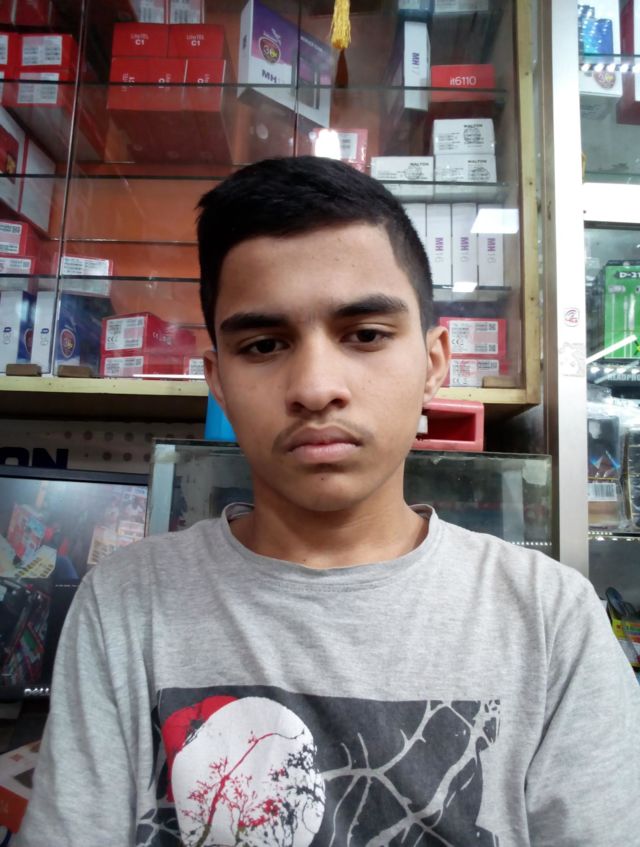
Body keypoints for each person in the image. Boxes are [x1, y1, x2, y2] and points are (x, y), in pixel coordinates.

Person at [17, 157, 640, 847]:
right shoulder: (125, 606)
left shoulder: (550, 620)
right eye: (264, 344)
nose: (315, 387)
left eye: (365, 334)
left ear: (435, 361)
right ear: (217, 379)